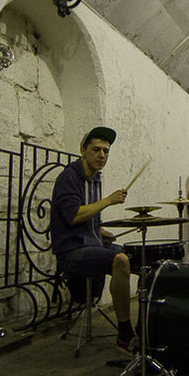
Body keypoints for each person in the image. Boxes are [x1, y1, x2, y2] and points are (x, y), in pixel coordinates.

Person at [50, 126, 135, 353]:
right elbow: (74, 214)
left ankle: (150, 325)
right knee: (121, 260)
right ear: (83, 150)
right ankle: (125, 334)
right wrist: (108, 200)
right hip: (71, 251)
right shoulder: (69, 177)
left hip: (90, 243)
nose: (102, 155)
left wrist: (99, 231)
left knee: (138, 255)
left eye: (106, 151)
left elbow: (86, 217)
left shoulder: (94, 179)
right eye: (96, 149)